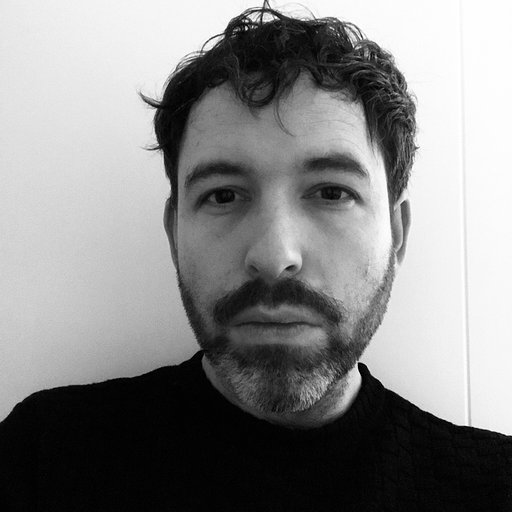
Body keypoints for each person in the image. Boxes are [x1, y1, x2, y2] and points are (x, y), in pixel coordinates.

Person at [1, 4, 511, 511]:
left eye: (332, 192)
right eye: (223, 195)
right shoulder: (44, 459)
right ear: (174, 232)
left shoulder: (495, 486)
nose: (274, 256)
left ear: (397, 233)